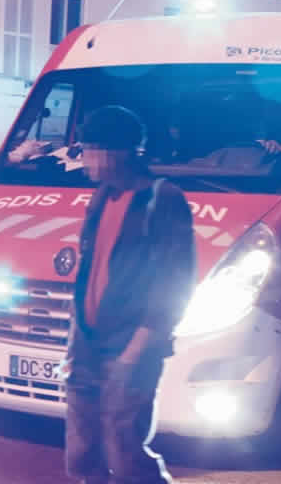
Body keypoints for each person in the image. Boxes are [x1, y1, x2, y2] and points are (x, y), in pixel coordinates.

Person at [65, 105, 197, 484]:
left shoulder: (162, 199)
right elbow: (89, 271)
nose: (84, 159)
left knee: (123, 450)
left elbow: (174, 282)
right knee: (82, 451)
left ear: (117, 152)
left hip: (129, 346)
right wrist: (74, 339)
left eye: (89, 149)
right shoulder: (100, 197)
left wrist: (133, 353)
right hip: (88, 343)